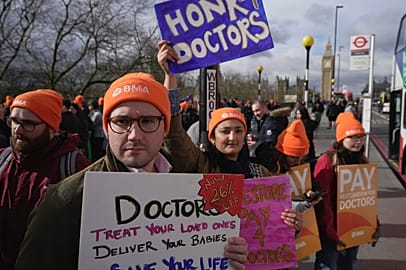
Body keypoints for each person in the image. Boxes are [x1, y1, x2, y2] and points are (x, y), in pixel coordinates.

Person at [15, 73, 249, 270]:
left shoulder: (191, 183)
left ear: (164, 127)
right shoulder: (65, 201)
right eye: (122, 121)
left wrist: (229, 256)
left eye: (147, 121)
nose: (134, 134)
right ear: (107, 127)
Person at [158, 40, 303, 232]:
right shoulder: (201, 166)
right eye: (225, 131)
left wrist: (294, 224)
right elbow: (174, 134)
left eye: (238, 131)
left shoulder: (260, 174)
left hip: (251, 258)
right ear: (212, 137)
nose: (232, 137)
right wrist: (170, 76)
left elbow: (278, 231)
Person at [0, 89, 91, 270]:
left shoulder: (74, 167)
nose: (18, 129)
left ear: (51, 127)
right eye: (14, 121)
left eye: (28, 124)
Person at [313, 112, 380, 270]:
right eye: (353, 138)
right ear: (341, 138)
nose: (358, 142)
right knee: (327, 265)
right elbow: (324, 202)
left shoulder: (361, 160)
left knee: (348, 265)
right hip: (332, 229)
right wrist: (331, 233)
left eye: (361, 137)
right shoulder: (326, 162)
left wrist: (374, 225)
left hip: (352, 227)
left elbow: (366, 198)